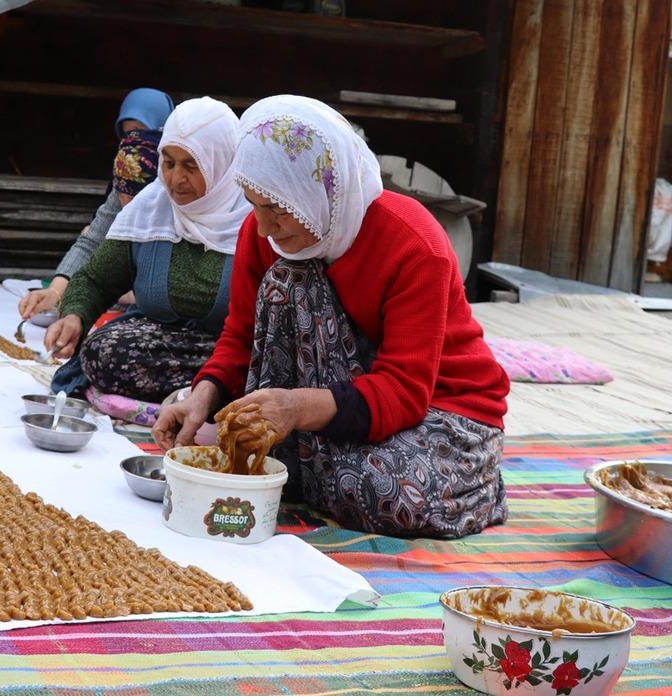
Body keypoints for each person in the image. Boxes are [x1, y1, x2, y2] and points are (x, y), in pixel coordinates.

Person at [152, 96, 510, 539]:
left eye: (278, 210)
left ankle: (478, 486)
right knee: (289, 280)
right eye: (254, 205)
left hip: (442, 409)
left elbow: (404, 390)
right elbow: (241, 336)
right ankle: (310, 461)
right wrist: (200, 398)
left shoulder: (415, 245)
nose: (263, 227)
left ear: (318, 192)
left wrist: (294, 408)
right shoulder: (264, 233)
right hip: (337, 414)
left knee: (381, 491)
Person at [44, 96, 251, 403]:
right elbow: (96, 280)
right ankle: (205, 398)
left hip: (232, 352)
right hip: (162, 350)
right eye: (168, 163)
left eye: (191, 166)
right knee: (103, 351)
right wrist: (75, 317)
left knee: (262, 371)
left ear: (222, 163)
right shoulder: (151, 209)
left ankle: (210, 393)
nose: (175, 179)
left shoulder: (253, 221)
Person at [19, 88, 174, 319]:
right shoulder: (127, 178)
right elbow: (92, 241)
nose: (132, 141)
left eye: (141, 131)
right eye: (126, 134)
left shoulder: (176, 190)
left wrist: (129, 292)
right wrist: (56, 290)